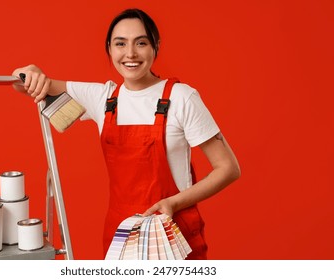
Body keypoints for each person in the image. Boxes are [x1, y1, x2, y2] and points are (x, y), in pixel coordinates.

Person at [12, 8, 240, 260]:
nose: (130, 54)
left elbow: (228, 168)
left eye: (141, 43)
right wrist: (28, 71)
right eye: (120, 44)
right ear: (109, 48)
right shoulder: (103, 98)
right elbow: (25, 83)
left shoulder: (182, 97)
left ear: (156, 46)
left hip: (173, 234)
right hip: (122, 237)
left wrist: (173, 203)